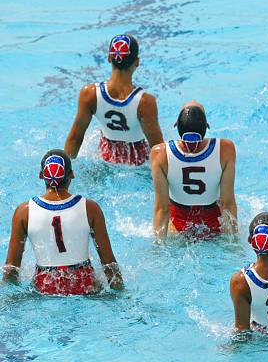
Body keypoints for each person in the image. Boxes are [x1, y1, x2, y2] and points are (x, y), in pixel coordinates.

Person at [2, 150, 124, 295]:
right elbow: (109, 264)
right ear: (71, 174)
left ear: (41, 175)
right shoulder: (90, 208)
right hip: (84, 284)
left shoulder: (24, 212)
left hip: (45, 286)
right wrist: (121, 293)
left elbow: (11, 269)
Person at [64, 34, 163, 166]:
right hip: (138, 160)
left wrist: (64, 173)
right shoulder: (145, 102)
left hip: (105, 156)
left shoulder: (90, 94)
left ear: (109, 58)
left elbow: (75, 139)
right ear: (137, 62)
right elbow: (158, 149)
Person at [151, 101, 237, 240]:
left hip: (179, 226)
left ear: (176, 125)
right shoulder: (225, 149)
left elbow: (162, 208)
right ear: (206, 127)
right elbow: (228, 203)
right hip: (214, 223)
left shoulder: (159, 153)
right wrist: (234, 243)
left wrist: (157, 247)